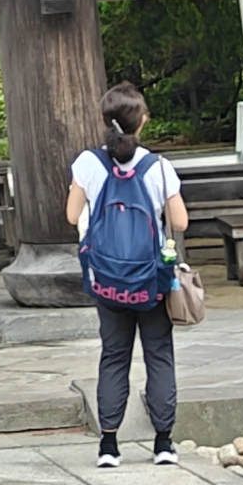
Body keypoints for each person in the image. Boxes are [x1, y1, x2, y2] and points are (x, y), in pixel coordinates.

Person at [67, 80, 187, 465]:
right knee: (159, 355)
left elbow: (71, 216)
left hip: (107, 280)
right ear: (144, 121)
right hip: (150, 281)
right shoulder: (159, 168)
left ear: (105, 120)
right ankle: (164, 442)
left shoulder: (88, 163)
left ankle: (108, 445)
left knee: (114, 356)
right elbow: (180, 221)